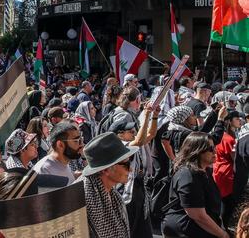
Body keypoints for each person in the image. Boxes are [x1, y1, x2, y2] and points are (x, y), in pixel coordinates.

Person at [162, 132, 228, 238]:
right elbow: (198, 215)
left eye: (214, 147)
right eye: (210, 149)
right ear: (198, 151)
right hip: (188, 230)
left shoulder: (204, 171)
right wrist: (223, 235)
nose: (215, 151)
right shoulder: (188, 175)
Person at [109, 102, 159, 238]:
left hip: (139, 188)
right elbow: (139, 142)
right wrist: (147, 114)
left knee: (142, 227)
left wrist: (155, 116)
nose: (134, 132)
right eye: (130, 131)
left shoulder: (134, 141)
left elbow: (151, 134)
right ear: (119, 135)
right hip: (126, 192)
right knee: (129, 228)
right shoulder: (121, 146)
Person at [80, 132, 138, 238]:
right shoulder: (84, 200)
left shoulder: (112, 193)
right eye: (126, 164)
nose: (130, 169)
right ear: (106, 170)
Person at [213, 110, 243, 228]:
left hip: (219, 170)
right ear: (229, 122)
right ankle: (223, 228)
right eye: (236, 118)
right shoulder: (228, 139)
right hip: (227, 173)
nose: (239, 120)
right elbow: (235, 158)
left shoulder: (225, 136)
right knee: (227, 203)